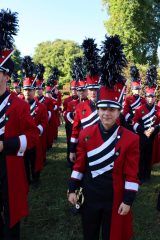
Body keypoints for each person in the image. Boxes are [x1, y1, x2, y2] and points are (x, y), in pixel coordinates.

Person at [68, 35, 140, 240]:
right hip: (90, 196)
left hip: (114, 199)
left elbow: (132, 174)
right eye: (102, 109)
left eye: (111, 109)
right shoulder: (85, 134)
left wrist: (128, 200)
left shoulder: (131, 139)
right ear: (97, 109)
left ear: (119, 113)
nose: (106, 113)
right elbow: (79, 166)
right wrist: (72, 188)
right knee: (89, 234)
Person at [0, 9, 39, 240]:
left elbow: (33, 137)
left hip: (8, 167)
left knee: (10, 213)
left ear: (6, 76)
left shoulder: (19, 105)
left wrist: (7, 144)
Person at [69, 38, 100, 163]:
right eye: (90, 89)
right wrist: (72, 150)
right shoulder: (80, 107)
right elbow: (75, 130)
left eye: (96, 89)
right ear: (87, 90)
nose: (93, 92)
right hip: (84, 147)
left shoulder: (106, 107)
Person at [22, 56, 48, 187]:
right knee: (24, 159)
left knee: (35, 158)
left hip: (36, 137)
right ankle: (26, 179)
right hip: (23, 137)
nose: (28, 92)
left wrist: (38, 130)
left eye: (30, 90)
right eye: (26, 90)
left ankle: (36, 178)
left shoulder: (41, 106)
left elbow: (44, 122)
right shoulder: (19, 105)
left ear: (34, 91)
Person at [133, 65, 160, 182]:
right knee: (141, 156)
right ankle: (139, 175)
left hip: (152, 137)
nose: (150, 99)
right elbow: (134, 124)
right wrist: (143, 130)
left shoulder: (158, 111)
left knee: (149, 156)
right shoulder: (140, 109)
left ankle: (147, 175)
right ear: (146, 96)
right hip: (141, 136)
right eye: (148, 96)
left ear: (155, 98)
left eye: (152, 97)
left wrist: (154, 129)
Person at [123, 65, 145, 131]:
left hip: (140, 122)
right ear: (132, 90)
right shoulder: (128, 99)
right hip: (130, 122)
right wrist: (131, 119)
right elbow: (125, 112)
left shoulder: (143, 100)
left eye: (138, 89)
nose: (137, 91)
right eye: (135, 89)